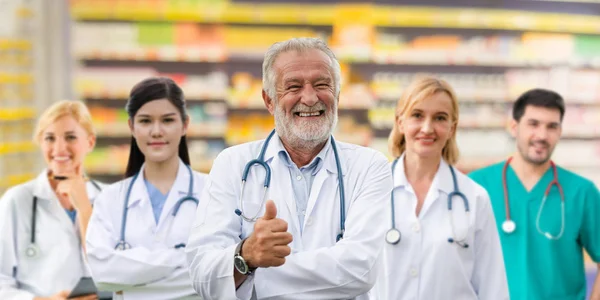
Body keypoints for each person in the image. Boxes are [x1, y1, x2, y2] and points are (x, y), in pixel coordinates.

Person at [185, 37, 393, 299]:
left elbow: (361, 269)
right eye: (293, 86)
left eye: (322, 85)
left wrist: (250, 270)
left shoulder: (369, 166)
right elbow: (202, 274)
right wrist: (247, 254)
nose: (309, 98)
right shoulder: (232, 164)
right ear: (269, 100)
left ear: (337, 95)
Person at [371, 77, 509, 300]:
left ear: (452, 128)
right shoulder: (371, 191)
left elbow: (493, 287)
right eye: (417, 115)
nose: (427, 128)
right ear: (400, 122)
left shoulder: (474, 197)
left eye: (440, 118)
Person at [469, 88, 600, 300]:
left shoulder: (582, 192)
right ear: (514, 127)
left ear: (560, 132)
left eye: (551, 127)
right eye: (533, 124)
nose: (541, 135)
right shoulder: (478, 186)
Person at [85, 77, 206, 299]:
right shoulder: (111, 199)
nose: (156, 131)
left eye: (167, 120)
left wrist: (131, 281)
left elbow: (220, 273)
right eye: (145, 121)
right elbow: (101, 272)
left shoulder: (211, 192)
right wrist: (183, 258)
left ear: (185, 125)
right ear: (131, 126)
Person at [0, 100, 103, 299]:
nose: (59, 148)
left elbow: (119, 271)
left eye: (71, 137)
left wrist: (84, 208)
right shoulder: (16, 201)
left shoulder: (110, 199)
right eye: (49, 138)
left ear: (90, 142)